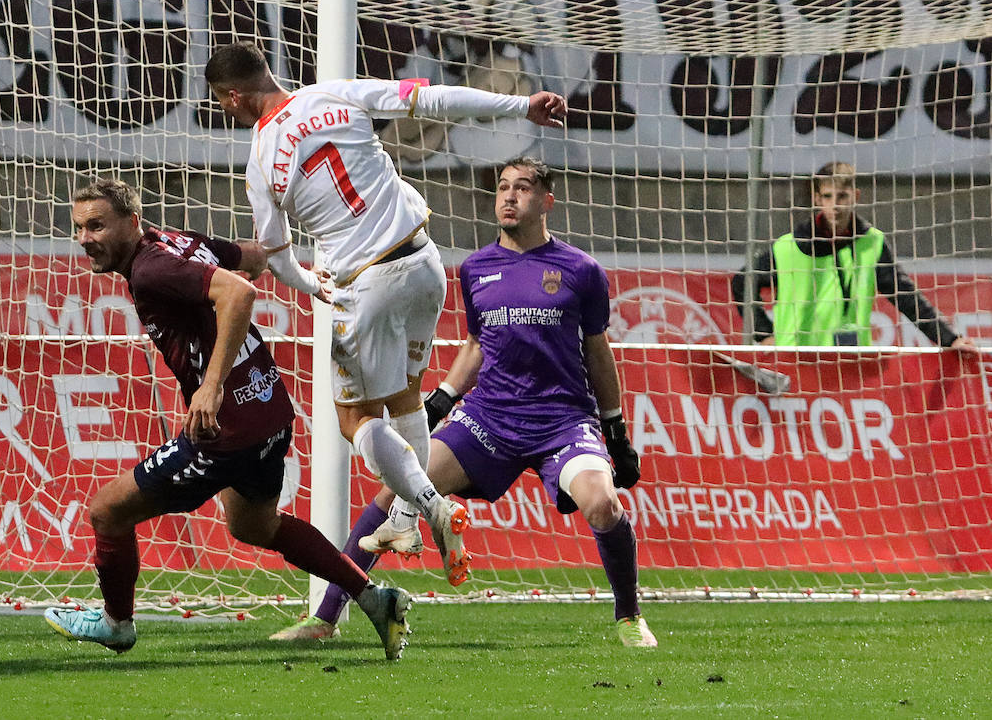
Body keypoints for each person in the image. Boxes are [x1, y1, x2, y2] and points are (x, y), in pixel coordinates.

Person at [205, 41, 569, 589]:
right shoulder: (334, 93)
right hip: (425, 262)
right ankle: (402, 522)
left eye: (221, 101)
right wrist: (521, 108)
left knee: (354, 420)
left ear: (234, 95)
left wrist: (310, 285)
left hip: (366, 280)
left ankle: (432, 507)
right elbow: (432, 97)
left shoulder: (261, 158)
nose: (225, 110)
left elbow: (275, 253)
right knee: (406, 398)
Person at [271, 158, 657, 648]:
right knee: (397, 489)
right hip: (489, 419)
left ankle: (630, 617)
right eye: (502, 188)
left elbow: (597, 352)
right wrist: (443, 399)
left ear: (547, 202)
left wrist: (616, 430)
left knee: (603, 504)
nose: (509, 197)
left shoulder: (581, 270)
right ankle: (324, 618)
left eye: (522, 188)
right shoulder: (476, 268)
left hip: (562, 421)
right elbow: (476, 345)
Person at [44, 178, 413, 660]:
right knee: (255, 525)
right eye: (79, 228)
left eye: (97, 225)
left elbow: (238, 292)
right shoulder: (175, 242)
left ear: (132, 223)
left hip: (228, 428)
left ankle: (116, 624)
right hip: (269, 410)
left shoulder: (153, 268)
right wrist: (284, 257)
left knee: (107, 512)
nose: (86, 238)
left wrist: (211, 385)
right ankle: (374, 598)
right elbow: (253, 258)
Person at [732, 161, 976, 351]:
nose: (835, 205)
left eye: (842, 196)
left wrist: (950, 339)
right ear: (817, 199)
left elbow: (906, 297)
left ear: (855, 196)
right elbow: (743, 281)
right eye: (827, 197)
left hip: (850, 363)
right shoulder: (789, 247)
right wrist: (764, 334)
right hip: (795, 361)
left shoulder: (871, 243)